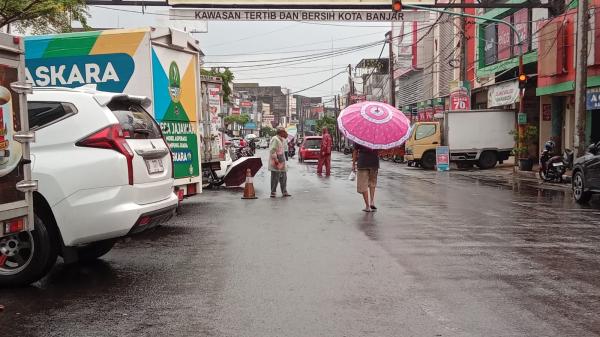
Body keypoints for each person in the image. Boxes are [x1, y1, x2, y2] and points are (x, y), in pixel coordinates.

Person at [352, 143, 379, 212]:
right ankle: (372, 202)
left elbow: (355, 151)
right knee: (372, 183)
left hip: (363, 162)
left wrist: (353, 164)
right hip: (374, 162)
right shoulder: (376, 136)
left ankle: (367, 206)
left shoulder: (359, 137)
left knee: (363, 184)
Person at [269, 127, 291, 198]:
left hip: (282, 161)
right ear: (280, 132)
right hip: (276, 161)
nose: (285, 133)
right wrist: (275, 159)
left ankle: (284, 191)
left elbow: (284, 149)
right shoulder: (275, 139)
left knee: (283, 177)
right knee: (275, 177)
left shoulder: (282, 140)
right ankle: (273, 192)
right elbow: (272, 150)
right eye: (284, 132)